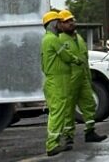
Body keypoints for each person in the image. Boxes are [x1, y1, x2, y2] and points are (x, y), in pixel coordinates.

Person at [57, 10, 106, 144]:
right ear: (60, 24)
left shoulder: (78, 38)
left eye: (72, 20)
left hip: (83, 77)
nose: (71, 23)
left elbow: (84, 58)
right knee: (68, 109)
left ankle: (90, 132)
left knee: (89, 104)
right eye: (67, 21)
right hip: (69, 80)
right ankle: (68, 137)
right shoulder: (59, 40)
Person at [41, 9, 78, 156]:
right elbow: (66, 56)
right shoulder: (52, 40)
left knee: (57, 111)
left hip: (55, 80)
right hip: (57, 81)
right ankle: (52, 144)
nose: (60, 24)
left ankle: (54, 142)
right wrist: (76, 60)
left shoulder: (48, 39)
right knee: (57, 112)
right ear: (53, 24)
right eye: (58, 22)